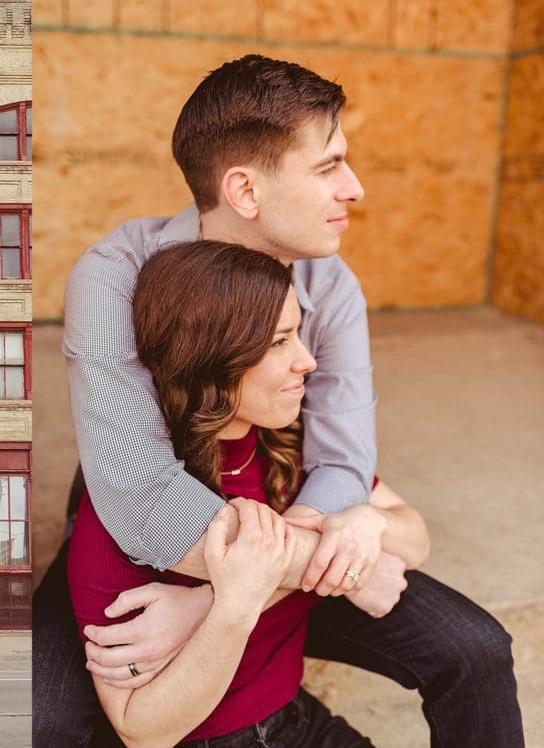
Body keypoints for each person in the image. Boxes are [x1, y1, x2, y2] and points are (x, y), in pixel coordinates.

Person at [33, 54, 523, 746]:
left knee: (472, 647)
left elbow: (344, 463)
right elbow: (141, 495)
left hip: (278, 515)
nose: (353, 188)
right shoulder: (114, 277)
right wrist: (317, 571)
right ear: (245, 190)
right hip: (147, 532)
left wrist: (217, 601)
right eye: (328, 167)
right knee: (45, 716)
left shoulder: (332, 285)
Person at [71, 239, 430, 747]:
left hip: (295, 721)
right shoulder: (137, 508)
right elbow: (140, 730)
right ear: (212, 358)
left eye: (298, 333)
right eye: (280, 341)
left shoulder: (291, 450)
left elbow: (415, 537)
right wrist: (234, 604)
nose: (307, 360)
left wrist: (367, 526)